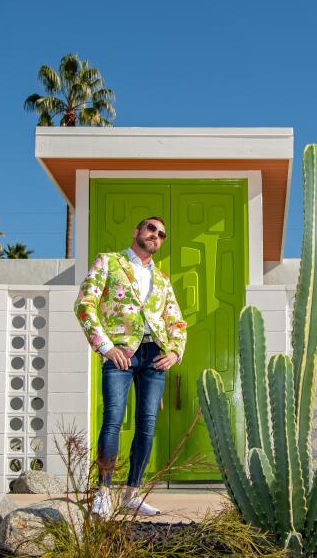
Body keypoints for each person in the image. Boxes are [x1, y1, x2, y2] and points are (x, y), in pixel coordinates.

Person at [74, 216, 187, 517]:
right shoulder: (109, 262)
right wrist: (106, 347)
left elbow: (176, 320)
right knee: (112, 420)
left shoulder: (162, 279)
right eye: (151, 229)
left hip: (154, 356)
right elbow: (84, 304)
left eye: (162, 234)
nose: (156, 236)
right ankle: (103, 492)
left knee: (146, 425)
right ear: (136, 231)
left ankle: (131, 494)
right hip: (120, 353)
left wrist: (175, 351)